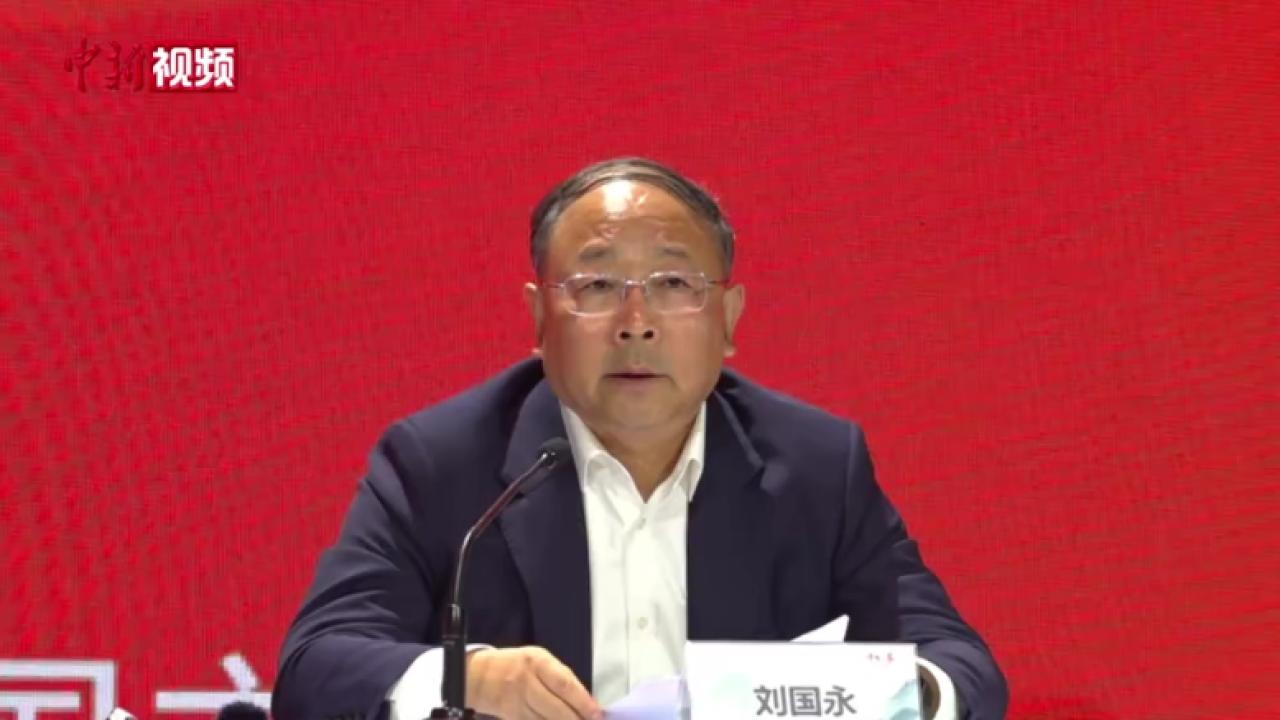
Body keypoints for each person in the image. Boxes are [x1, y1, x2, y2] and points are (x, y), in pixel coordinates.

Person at [273, 157, 1008, 720]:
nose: (635, 323)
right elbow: (314, 669)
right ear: (538, 319)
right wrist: (466, 679)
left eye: (674, 286)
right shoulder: (442, 463)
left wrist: (882, 695)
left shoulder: (817, 466)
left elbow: (959, 667)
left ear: (729, 319)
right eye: (595, 287)